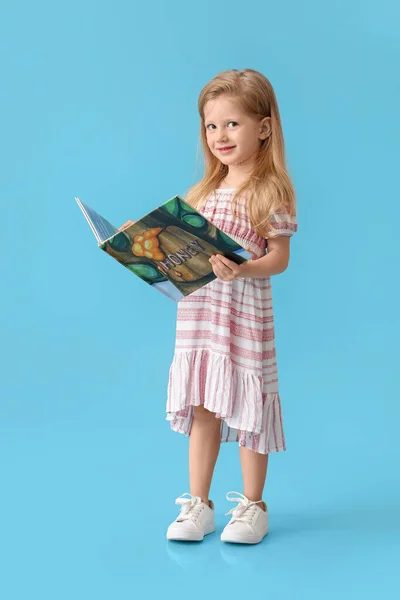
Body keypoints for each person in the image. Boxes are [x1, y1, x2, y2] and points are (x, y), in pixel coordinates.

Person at [165, 69, 298, 545]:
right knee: (203, 406)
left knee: (246, 409)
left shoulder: (269, 191)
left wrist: (242, 270)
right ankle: (198, 504)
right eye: (211, 126)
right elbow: (178, 247)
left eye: (232, 124)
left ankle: (252, 505)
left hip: (241, 315)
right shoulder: (200, 193)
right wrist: (141, 242)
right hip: (200, 315)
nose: (220, 136)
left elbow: (279, 258)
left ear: (263, 127)